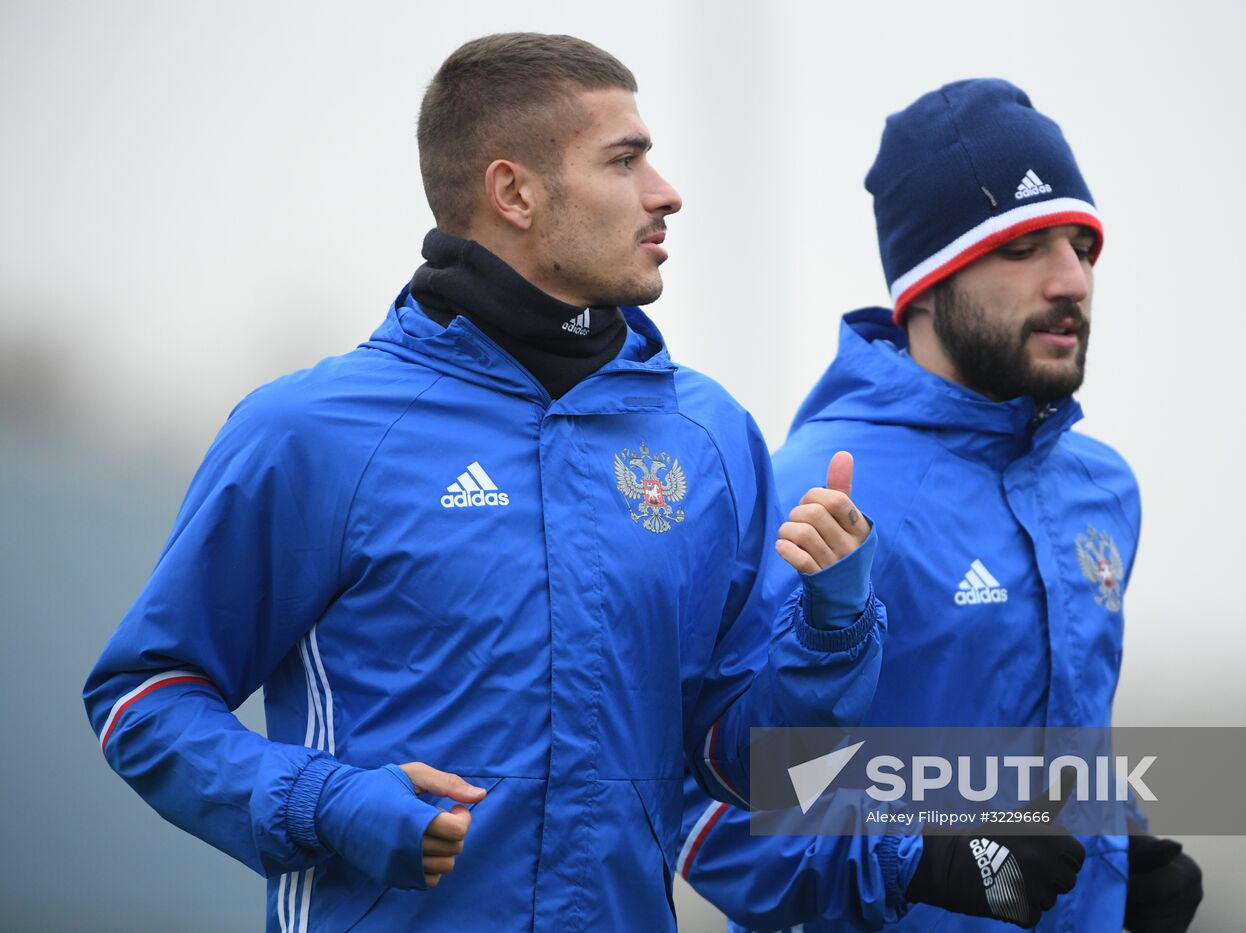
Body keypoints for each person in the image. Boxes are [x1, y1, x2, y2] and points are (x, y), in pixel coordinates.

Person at [84, 33, 887, 932]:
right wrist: (325, 800)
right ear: (515, 192)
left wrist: (833, 625)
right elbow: (141, 698)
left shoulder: (709, 437)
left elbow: (750, 771)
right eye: (624, 161)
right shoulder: (310, 431)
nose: (665, 192)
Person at [679, 80, 1203, 931]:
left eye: (1083, 246)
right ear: (927, 282)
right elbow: (711, 804)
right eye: (1025, 246)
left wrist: (1117, 855)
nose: (1071, 279)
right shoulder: (811, 488)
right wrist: (930, 859)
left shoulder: (1102, 487)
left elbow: (1061, 744)